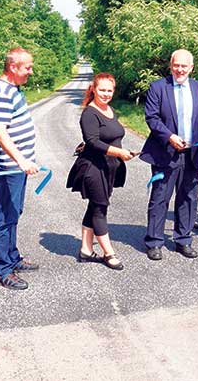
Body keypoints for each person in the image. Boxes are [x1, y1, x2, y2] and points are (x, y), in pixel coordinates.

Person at [140, 49, 198, 260]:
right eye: (176, 65)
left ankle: (183, 239)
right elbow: (152, 118)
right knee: (160, 197)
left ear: (191, 67)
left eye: (184, 66)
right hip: (166, 152)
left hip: (194, 153)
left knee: (188, 197)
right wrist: (169, 136)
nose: (180, 69)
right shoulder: (158, 87)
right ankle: (154, 241)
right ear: (171, 66)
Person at [0, 47, 40, 290]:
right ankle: (2, 269)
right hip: (9, 167)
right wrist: (20, 160)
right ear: (13, 67)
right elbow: (0, 131)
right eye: (27, 67)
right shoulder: (0, 93)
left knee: (14, 211)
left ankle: (12, 257)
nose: (31, 71)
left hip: (12, 164)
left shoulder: (13, 89)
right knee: (6, 215)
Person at [66, 73, 135, 270]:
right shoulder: (89, 113)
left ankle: (86, 250)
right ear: (93, 89)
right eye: (102, 90)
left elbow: (113, 136)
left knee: (95, 206)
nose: (105, 94)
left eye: (109, 90)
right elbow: (93, 141)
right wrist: (119, 152)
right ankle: (109, 253)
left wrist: (121, 153)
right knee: (100, 208)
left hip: (109, 168)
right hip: (93, 168)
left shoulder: (110, 110)